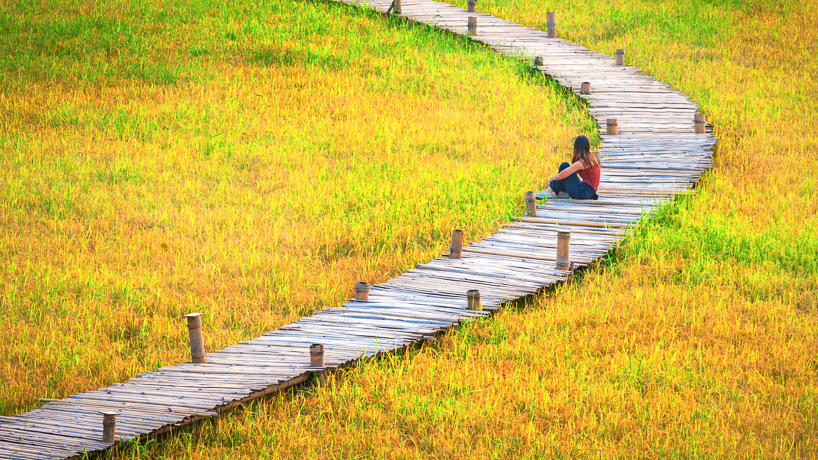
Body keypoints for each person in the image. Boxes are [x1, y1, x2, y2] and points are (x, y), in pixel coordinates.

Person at [535, 135, 600, 200]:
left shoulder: (582, 162)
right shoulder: (592, 158)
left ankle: (549, 191)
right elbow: (570, 174)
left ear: (576, 148)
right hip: (590, 192)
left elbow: (560, 176)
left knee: (564, 165)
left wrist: (552, 178)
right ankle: (551, 191)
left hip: (583, 193)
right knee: (565, 171)